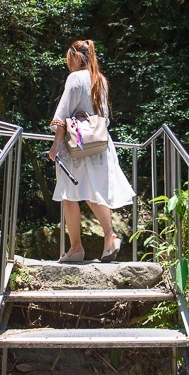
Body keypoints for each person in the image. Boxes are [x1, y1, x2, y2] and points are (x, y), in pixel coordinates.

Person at [47, 40, 135, 262]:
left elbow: (63, 113)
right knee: (94, 191)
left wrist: (56, 145)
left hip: (77, 143)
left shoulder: (75, 78)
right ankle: (110, 236)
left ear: (76, 57)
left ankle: (76, 247)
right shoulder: (100, 80)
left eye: (70, 58)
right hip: (98, 144)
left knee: (69, 194)